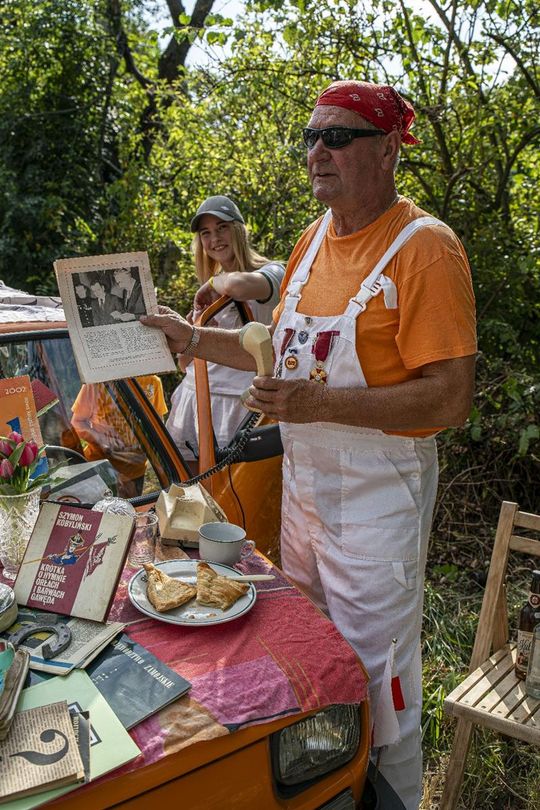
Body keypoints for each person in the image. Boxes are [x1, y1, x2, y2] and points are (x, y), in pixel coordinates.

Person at [142, 81, 477, 809]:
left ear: (388, 149)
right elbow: (270, 348)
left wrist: (317, 402)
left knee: (379, 682)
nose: (316, 152)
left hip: (377, 509)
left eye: (338, 137)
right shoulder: (311, 239)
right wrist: (194, 338)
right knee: (308, 663)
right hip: (305, 502)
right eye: (311, 137)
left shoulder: (426, 249)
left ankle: (389, 797)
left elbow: (450, 396)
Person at [166, 195, 284, 468]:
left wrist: (212, 283)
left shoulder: (273, 271)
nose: (214, 238)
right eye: (205, 233)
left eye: (222, 228)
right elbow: (184, 364)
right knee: (188, 494)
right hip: (193, 398)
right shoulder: (210, 293)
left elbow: (240, 287)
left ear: (238, 230)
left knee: (232, 494)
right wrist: (196, 327)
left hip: (240, 406)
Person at [71, 374, 167, 498]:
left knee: (129, 512)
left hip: (136, 470)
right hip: (100, 468)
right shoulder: (95, 383)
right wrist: (101, 440)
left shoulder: (152, 382)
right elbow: (77, 422)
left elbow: (157, 424)